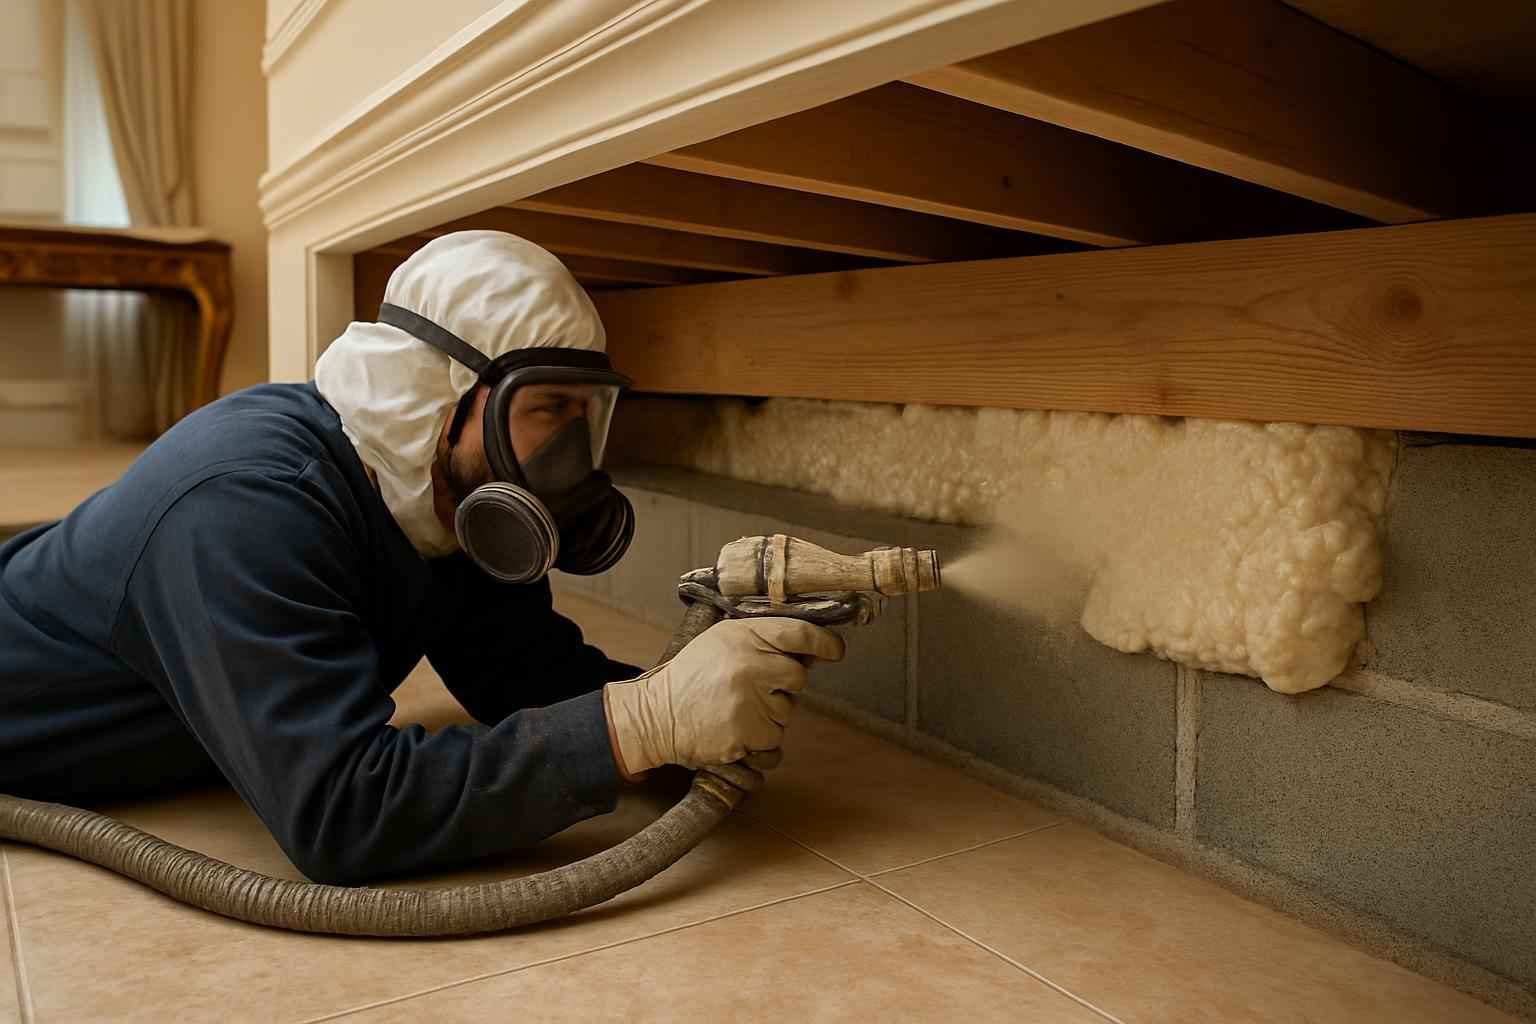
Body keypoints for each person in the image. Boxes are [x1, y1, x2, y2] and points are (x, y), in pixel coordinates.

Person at [0, 231, 842, 885]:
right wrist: (639, 725)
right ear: (437, 392)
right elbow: (341, 814)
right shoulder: (244, 508)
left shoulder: (440, 494)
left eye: (585, 416)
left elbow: (520, 672)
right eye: (547, 408)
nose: (569, 453)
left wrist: (688, 703)